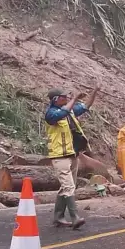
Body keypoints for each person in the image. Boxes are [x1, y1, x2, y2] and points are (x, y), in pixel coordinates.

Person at [43, 88, 86, 229]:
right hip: (59, 156)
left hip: (71, 154)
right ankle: (75, 217)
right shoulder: (51, 114)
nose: (66, 98)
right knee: (68, 186)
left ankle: (58, 217)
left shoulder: (69, 112)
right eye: (64, 97)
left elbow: (85, 107)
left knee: (67, 186)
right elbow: (61, 113)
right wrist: (74, 99)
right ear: (56, 99)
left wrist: (95, 92)